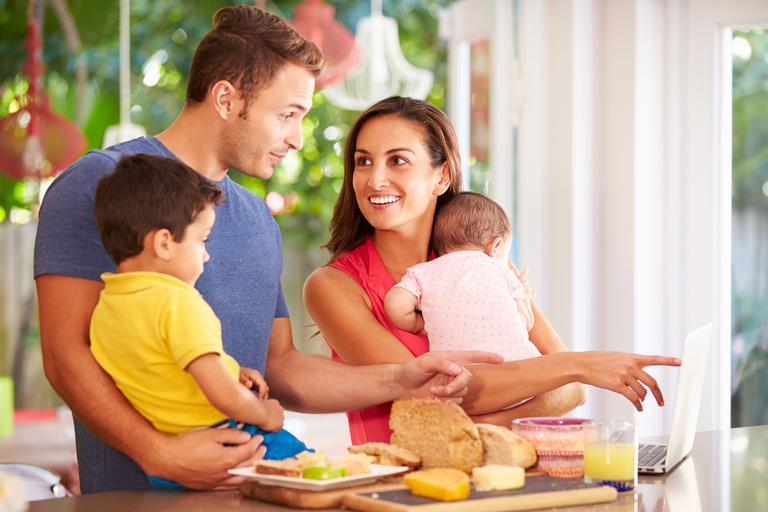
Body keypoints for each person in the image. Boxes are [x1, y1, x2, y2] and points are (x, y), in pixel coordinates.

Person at [34, 6, 503, 493]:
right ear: (225, 98)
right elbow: (64, 355)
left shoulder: (256, 218)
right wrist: (159, 454)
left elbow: (279, 367)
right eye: (287, 115)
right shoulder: (100, 182)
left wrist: (402, 378)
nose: (297, 139)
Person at [302, 95, 681, 445]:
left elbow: (572, 391)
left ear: (442, 177)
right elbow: (434, 391)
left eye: (397, 160)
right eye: (363, 161)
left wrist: (490, 425)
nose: (374, 179)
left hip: (502, 477)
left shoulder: (483, 256)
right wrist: (576, 365)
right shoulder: (333, 287)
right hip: (402, 487)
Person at [90, 154, 315, 488]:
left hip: (171, 461)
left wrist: (228, 367)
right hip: (235, 438)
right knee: (321, 476)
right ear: (164, 243)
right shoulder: (178, 302)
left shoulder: (108, 308)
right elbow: (225, 397)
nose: (206, 255)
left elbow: (161, 370)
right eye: (202, 240)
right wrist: (266, 414)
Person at [384, 191, 542, 373]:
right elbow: (525, 323)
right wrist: (524, 296)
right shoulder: (502, 271)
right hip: (518, 368)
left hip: (459, 375)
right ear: (496, 246)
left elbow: (396, 306)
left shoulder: (423, 272)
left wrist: (421, 324)